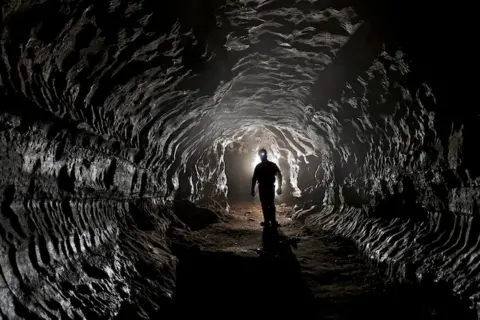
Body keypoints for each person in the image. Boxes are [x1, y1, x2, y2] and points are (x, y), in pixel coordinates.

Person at [251, 148, 283, 227]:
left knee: (267, 204)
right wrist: (279, 187)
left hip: (265, 187)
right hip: (267, 187)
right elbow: (254, 178)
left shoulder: (261, 166)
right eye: (261, 154)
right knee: (267, 204)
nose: (262, 156)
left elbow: (279, 175)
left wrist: (279, 187)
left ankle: (270, 221)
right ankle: (270, 221)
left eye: (262, 154)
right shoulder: (270, 165)